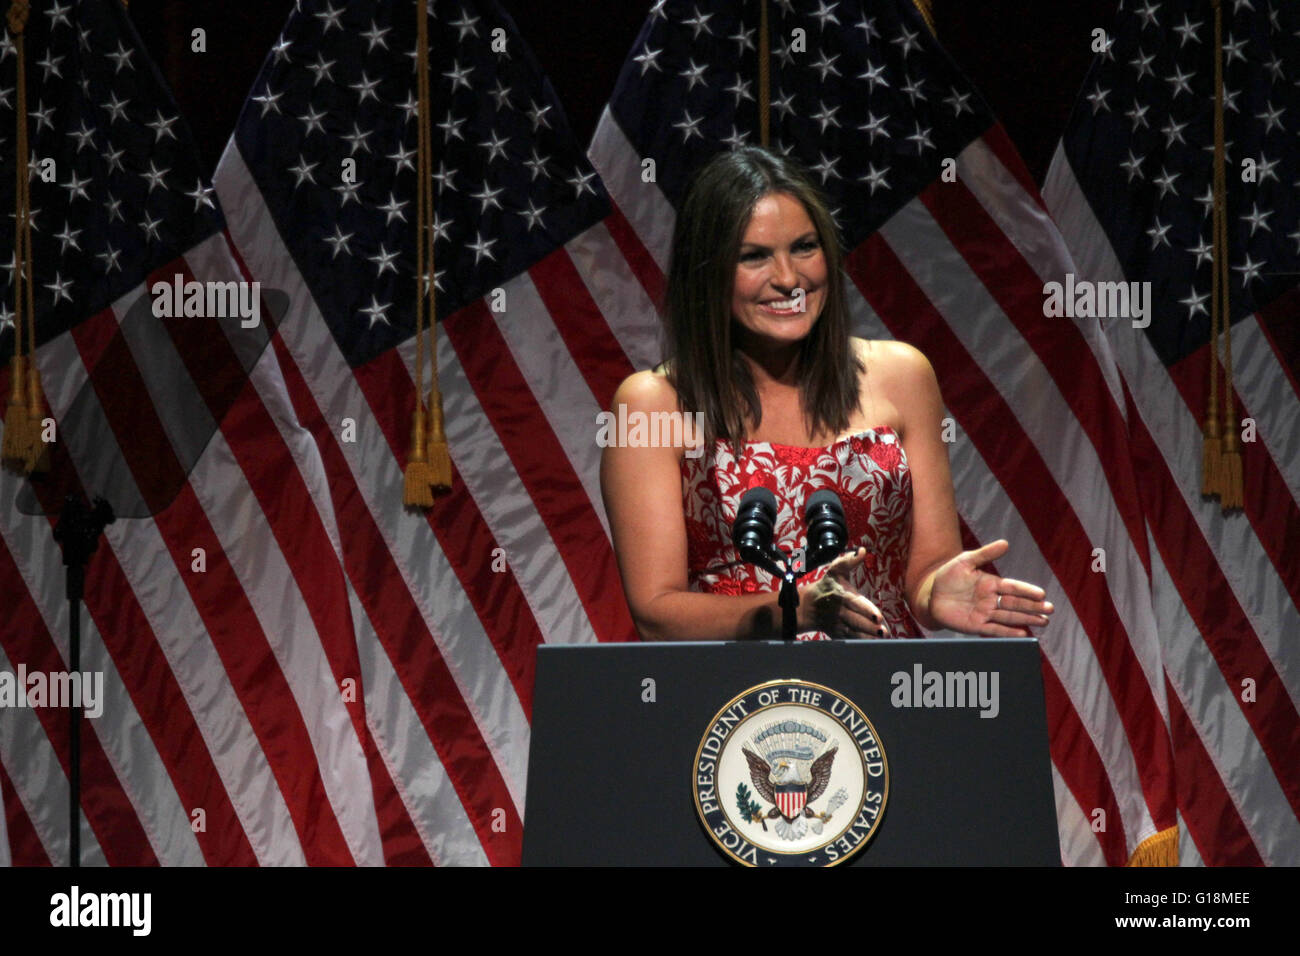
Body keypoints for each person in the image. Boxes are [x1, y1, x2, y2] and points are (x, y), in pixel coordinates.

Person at [599, 146, 1053, 640]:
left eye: (804, 248)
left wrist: (935, 593)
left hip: (879, 693)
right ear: (707, 272)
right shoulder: (652, 402)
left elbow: (925, 572)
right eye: (754, 256)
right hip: (733, 699)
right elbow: (656, 610)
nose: (789, 279)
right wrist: (794, 610)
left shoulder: (903, 374)